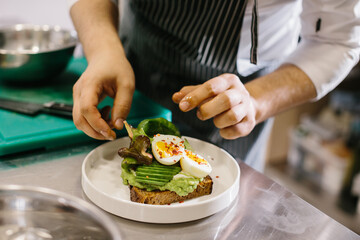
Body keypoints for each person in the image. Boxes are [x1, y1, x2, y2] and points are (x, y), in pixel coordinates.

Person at [68, 0, 360, 172]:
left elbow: (337, 40)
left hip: (235, 101)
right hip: (130, 65)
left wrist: (256, 102)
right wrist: (103, 49)